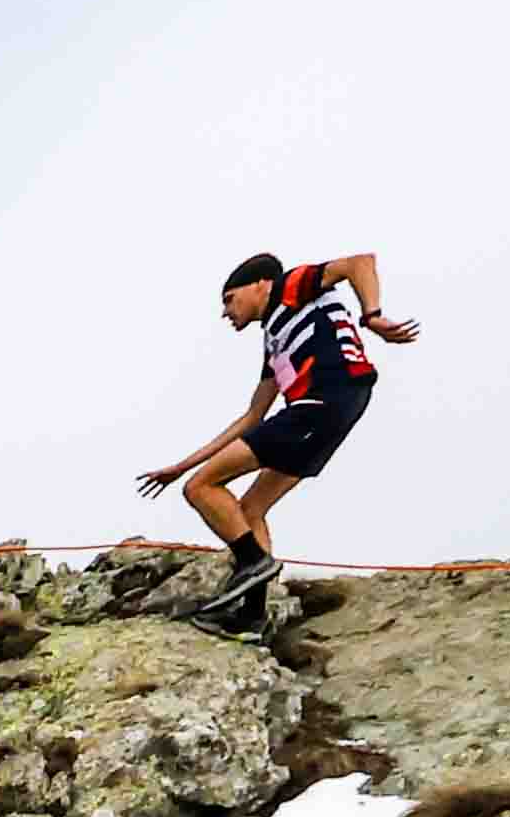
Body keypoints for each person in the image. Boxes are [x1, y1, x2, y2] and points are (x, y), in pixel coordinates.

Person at [142, 250, 417, 626]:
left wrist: (371, 316)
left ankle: (254, 562)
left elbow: (360, 262)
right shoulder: (274, 339)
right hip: (330, 411)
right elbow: (252, 417)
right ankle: (252, 618)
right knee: (249, 510)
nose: (226, 312)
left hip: (323, 401)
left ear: (260, 285)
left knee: (200, 488)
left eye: (229, 300)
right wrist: (179, 466)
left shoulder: (292, 287)